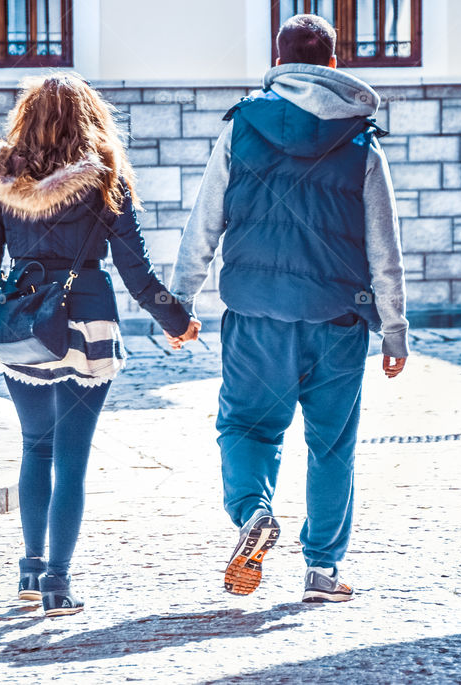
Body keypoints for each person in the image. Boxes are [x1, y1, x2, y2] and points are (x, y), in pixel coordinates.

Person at [168, 14, 408, 603]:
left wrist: (180, 301)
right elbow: (385, 243)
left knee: (248, 427)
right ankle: (322, 571)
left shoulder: (242, 126)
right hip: (338, 321)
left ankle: (253, 512)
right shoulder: (360, 139)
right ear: (331, 63)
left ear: (279, 61)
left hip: (256, 316)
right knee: (331, 445)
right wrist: (395, 330)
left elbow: (206, 221)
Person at [0, 73, 198, 618]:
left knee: (35, 446)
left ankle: (31, 573)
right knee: (72, 460)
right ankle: (59, 583)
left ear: (26, 116)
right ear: (89, 115)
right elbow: (137, 269)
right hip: (87, 320)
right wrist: (175, 320)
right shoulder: (104, 176)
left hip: (22, 322)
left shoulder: (4, 176)